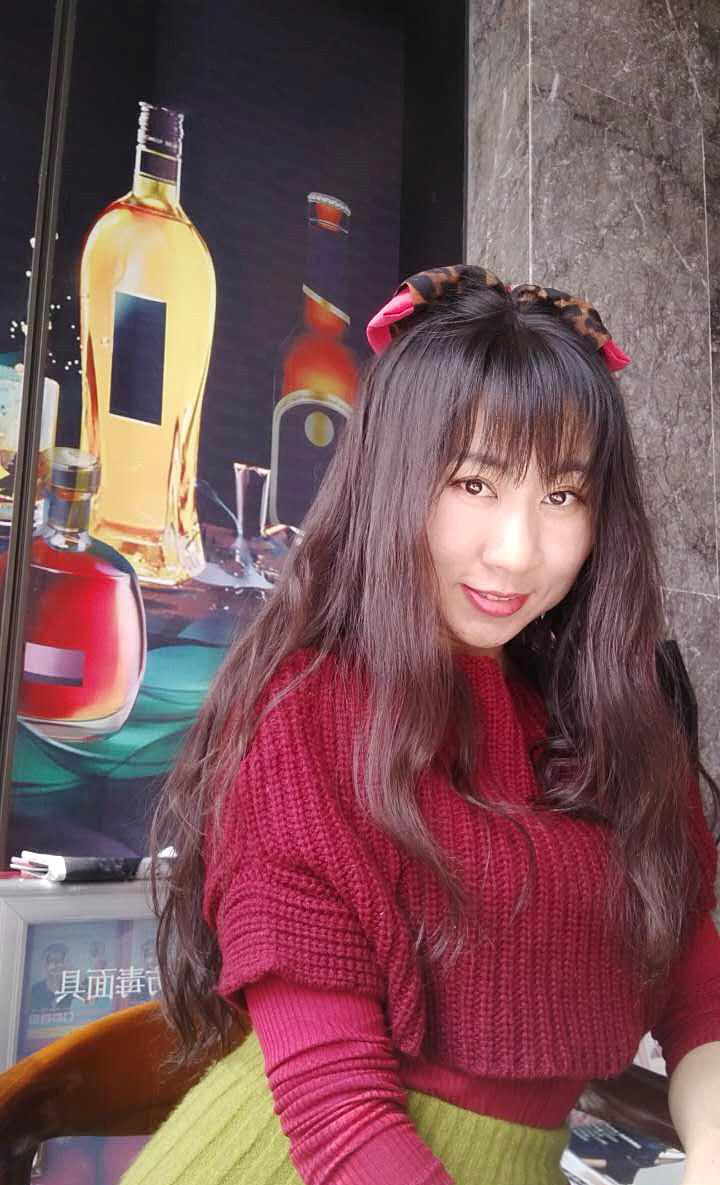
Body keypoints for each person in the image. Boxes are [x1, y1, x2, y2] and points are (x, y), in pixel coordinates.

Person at [120, 266, 720, 1185]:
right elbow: (339, 1120)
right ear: (392, 479)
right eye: (474, 482)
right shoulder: (303, 717)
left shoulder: (610, 717)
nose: (516, 551)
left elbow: (694, 985)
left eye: (562, 496)